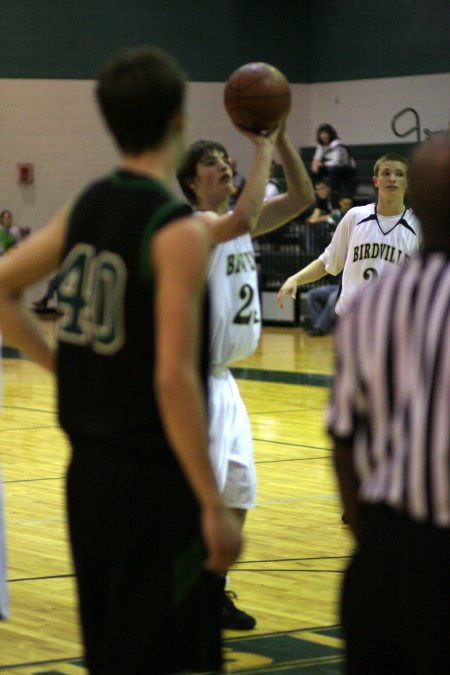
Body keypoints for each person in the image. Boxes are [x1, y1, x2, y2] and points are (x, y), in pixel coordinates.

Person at [0, 46, 245, 675]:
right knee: (175, 656)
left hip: (87, 480)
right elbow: (170, 377)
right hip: (152, 485)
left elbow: (2, 287)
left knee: (114, 655)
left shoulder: (85, 207)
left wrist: (60, 364)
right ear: (176, 122)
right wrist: (211, 503)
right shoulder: (177, 231)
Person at [178, 124, 315, 630]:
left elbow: (301, 197)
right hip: (194, 381)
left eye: (224, 157)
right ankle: (180, 598)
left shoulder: (238, 223)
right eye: (211, 161)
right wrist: (260, 149)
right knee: (201, 502)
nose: (223, 164)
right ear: (191, 183)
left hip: (224, 381)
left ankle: (211, 593)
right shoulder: (199, 225)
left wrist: (281, 140)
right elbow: (245, 215)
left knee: (239, 493)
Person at [328, 132, 450, 674]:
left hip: (384, 549)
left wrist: (362, 526)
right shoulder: (361, 238)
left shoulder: (372, 305)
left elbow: (340, 434)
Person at [277, 152, 421, 316]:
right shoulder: (355, 217)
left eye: (399, 174)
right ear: (375, 181)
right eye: (386, 173)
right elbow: (327, 262)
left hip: (393, 323)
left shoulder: (418, 225)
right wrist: (295, 279)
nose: (392, 179)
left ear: (408, 183)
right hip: (351, 319)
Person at [311, 123, 356, 193]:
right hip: (331, 167)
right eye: (321, 134)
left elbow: (335, 163)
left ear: (330, 134)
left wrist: (321, 164)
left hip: (346, 169)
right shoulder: (321, 145)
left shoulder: (338, 145)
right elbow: (317, 157)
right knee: (314, 171)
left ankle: (334, 191)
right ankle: (318, 190)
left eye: (325, 133)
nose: (323, 136)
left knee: (332, 170)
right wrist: (315, 165)